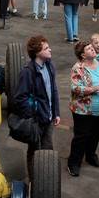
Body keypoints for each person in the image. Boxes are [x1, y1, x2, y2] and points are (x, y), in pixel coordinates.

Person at [14, 35, 61, 178]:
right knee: (34, 150)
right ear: (37, 52)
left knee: (47, 149)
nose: (50, 50)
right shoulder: (28, 72)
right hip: (37, 120)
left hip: (48, 118)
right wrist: (33, 115)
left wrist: (56, 112)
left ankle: (45, 179)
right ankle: (34, 181)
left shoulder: (49, 66)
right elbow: (20, 98)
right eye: (46, 48)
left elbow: (54, 90)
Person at [67, 40, 99, 177]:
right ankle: (74, 162)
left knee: (97, 134)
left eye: (92, 47)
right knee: (81, 137)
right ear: (83, 55)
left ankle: (91, 156)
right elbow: (75, 88)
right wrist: (93, 89)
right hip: (84, 110)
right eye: (89, 49)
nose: (93, 49)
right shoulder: (78, 68)